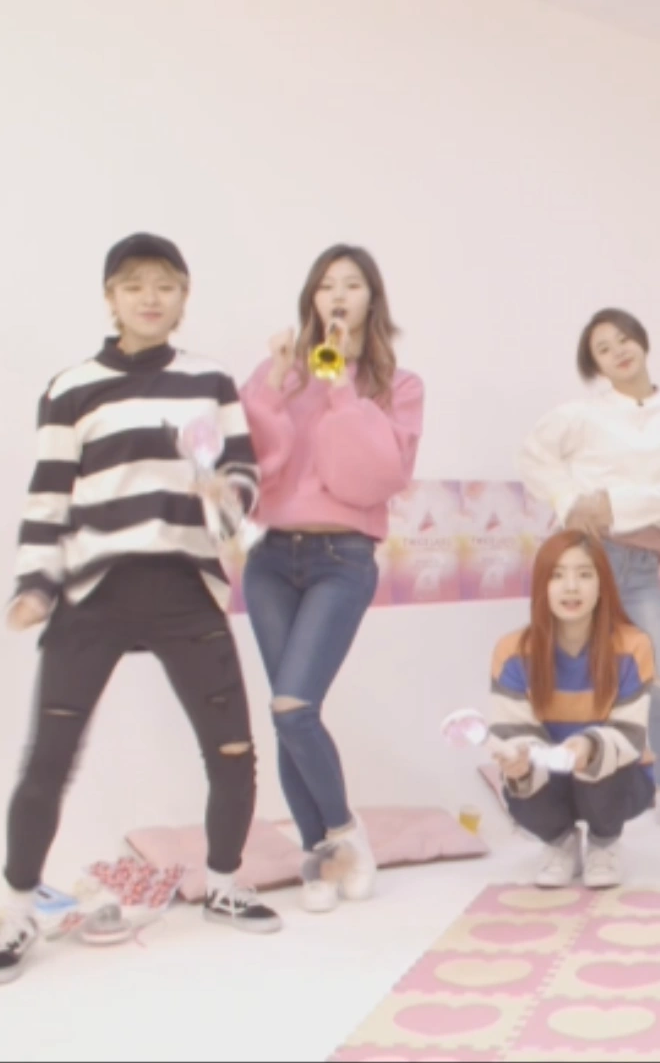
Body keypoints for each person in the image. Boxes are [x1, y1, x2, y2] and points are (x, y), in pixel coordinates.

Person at [0, 233, 281, 986]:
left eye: (166, 285)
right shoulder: (71, 387)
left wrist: (226, 496)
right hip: (94, 593)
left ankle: (224, 882)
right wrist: (34, 585)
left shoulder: (210, 381)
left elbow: (242, 478)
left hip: (185, 588)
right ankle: (16, 909)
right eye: (134, 285)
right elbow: (48, 498)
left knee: (233, 752)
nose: (151, 298)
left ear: (184, 298)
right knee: (47, 760)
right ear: (110, 297)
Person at [239, 244, 424, 912]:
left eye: (351, 285)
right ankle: (320, 854)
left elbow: (372, 477)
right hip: (269, 560)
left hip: (342, 560)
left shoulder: (398, 386)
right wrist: (272, 386)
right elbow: (252, 467)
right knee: (289, 714)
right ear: (311, 300)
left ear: (372, 299)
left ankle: (345, 835)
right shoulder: (277, 373)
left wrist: (339, 383)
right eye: (325, 286)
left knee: (294, 707)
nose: (337, 296)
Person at [517, 308, 660, 837]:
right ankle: (557, 797)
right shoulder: (582, 415)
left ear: (642, 342)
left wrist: (613, 504)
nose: (618, 352)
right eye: (603, 349)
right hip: (588, 561)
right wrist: (570, 501)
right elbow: (532, 457)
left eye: (624, 339)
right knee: (569, 684)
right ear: (595, 365)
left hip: (641, 567)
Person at [488, 531, 658, 888]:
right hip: (550, 776)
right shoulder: (511, 651)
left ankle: (603, 843)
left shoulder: (633, 645)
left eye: (584, 574)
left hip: (616, 782)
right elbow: (514, 732)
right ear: (542, 586)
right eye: (557, 575)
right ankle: (560, 843)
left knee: (606, 761)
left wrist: (587, 748)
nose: (571, 587)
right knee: (520, 785)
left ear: (602, 584)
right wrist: (518, 759)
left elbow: (630, 735)